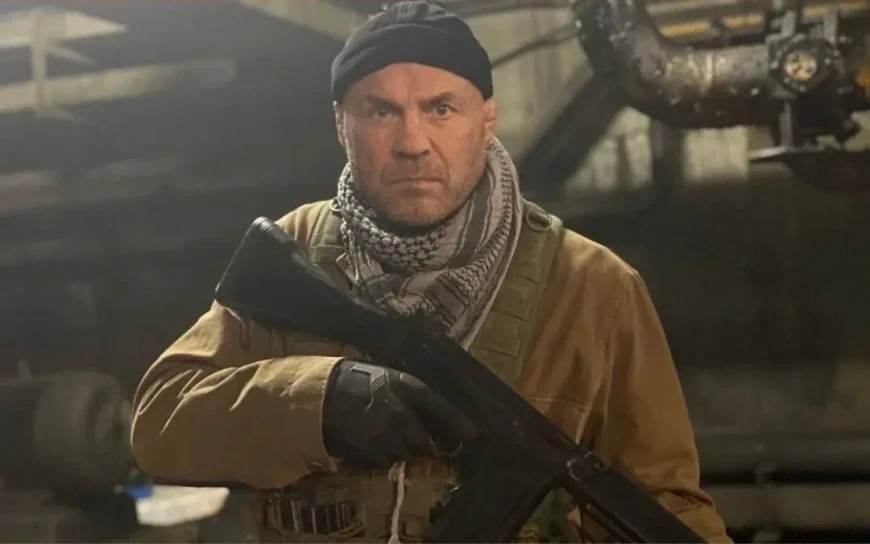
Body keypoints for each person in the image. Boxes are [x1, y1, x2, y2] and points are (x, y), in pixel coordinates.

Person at [129, 1, 730, 542]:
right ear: (341, 123)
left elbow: (664, 506)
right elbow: (160, 423)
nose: (412, 141)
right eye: (381, 111)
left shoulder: (593, 287)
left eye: (441, 108)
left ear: (486, 119)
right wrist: (321, 402)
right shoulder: (296, 252)